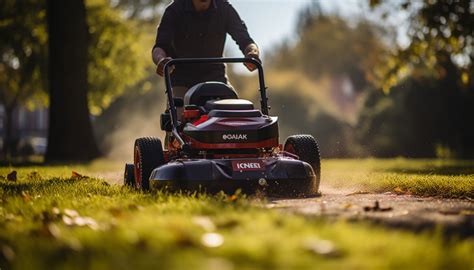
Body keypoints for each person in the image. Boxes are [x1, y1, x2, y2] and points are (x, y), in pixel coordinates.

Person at [152, 0, 260, 101]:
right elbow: (160, 46)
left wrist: (252, 53)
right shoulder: (175, 10)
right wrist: (161, 60)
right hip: (182, 80)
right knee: (179, 117)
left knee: (235, 114)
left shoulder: (224, 8)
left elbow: (246, 41)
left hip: (217, 78)